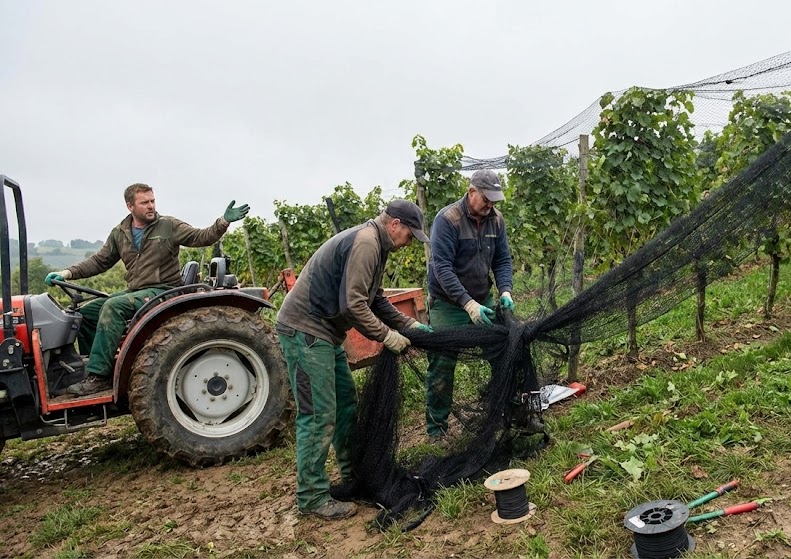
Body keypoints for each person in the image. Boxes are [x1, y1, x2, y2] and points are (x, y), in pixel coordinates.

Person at [275, 199, 432, 520]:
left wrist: (408, 325)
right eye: (409, 235)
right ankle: (312, 496)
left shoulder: (377, 244)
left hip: (325, 333)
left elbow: (374, 299)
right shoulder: (367, 243)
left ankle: (352, 477)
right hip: (304, 330)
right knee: (318, 414)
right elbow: (353, 306)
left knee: (345, 402)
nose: (408, 243)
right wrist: (388, 336)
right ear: (395, 225)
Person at [44, 183, 249, 396]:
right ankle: (96, 371)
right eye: (145, 202)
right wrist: (67, 273)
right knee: (85, 314)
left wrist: (223, 222)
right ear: (130, 206)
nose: (151, 206)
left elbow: (201, 237)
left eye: (152, 201)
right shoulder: (120, 233)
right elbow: (100, 261)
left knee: (114, 307)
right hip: (137, 292)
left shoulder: (168, 226)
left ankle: (99, 377)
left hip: (163, 291)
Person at [424, 169, 514, 440]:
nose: (490, 206)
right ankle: (436, 430)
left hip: (483, 298)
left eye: (494, 201)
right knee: (442, 364)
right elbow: (442, 268)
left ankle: (504, 410)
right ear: (471, 191)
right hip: (449, 304)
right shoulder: (447, 220)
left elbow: (502, 260)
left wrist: (506, 290)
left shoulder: (496, 221)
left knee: (502, 351)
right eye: (487, 199)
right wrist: (467, 304)